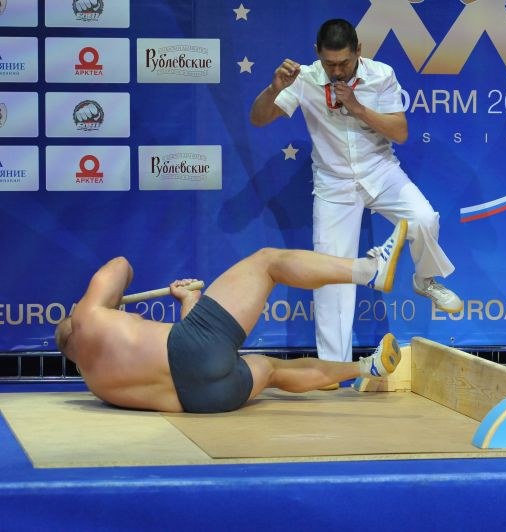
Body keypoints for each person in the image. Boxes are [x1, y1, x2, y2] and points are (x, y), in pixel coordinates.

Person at [249, 18, 462, 363]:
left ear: (359, 51)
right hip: (333, 184)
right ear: (317, 53)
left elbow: (400, 132)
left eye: (344, 63)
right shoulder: (304, 78)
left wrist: (358, 108)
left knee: (424, 219)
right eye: (329, 63)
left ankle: (425, 279)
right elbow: (258, 119)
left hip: (381, 172)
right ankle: (334, 367)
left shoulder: (381, 75)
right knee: (331, 276)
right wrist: (273, 89)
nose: (337, 71)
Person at [54, 221, 408, 414]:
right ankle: (369, 270)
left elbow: (191, 366)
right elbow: (120, 266)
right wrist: (104, 301)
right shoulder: (86, 317)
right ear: (75, 321)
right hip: (190, 351)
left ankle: (367, 368)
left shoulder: (97, 384)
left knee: (272, 371)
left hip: (206, 400)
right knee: (267, 261)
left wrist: (189, 300)